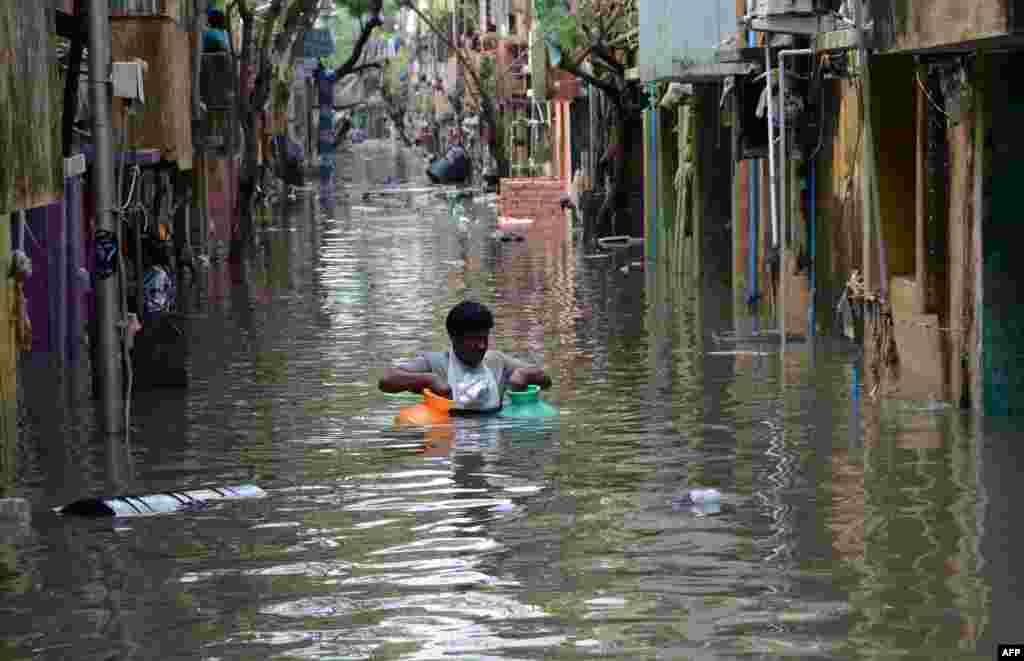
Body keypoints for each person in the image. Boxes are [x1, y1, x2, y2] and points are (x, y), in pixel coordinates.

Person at [379, 301, 552, 412]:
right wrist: (427, 380)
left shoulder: (497, 361)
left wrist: (526, 375)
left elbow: (546, 381)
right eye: (475, 339)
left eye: (484, 338)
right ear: (454, 337)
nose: (482, 345)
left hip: (493, 442)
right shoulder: (435, 363)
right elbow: (387, 381)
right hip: (449, 440)